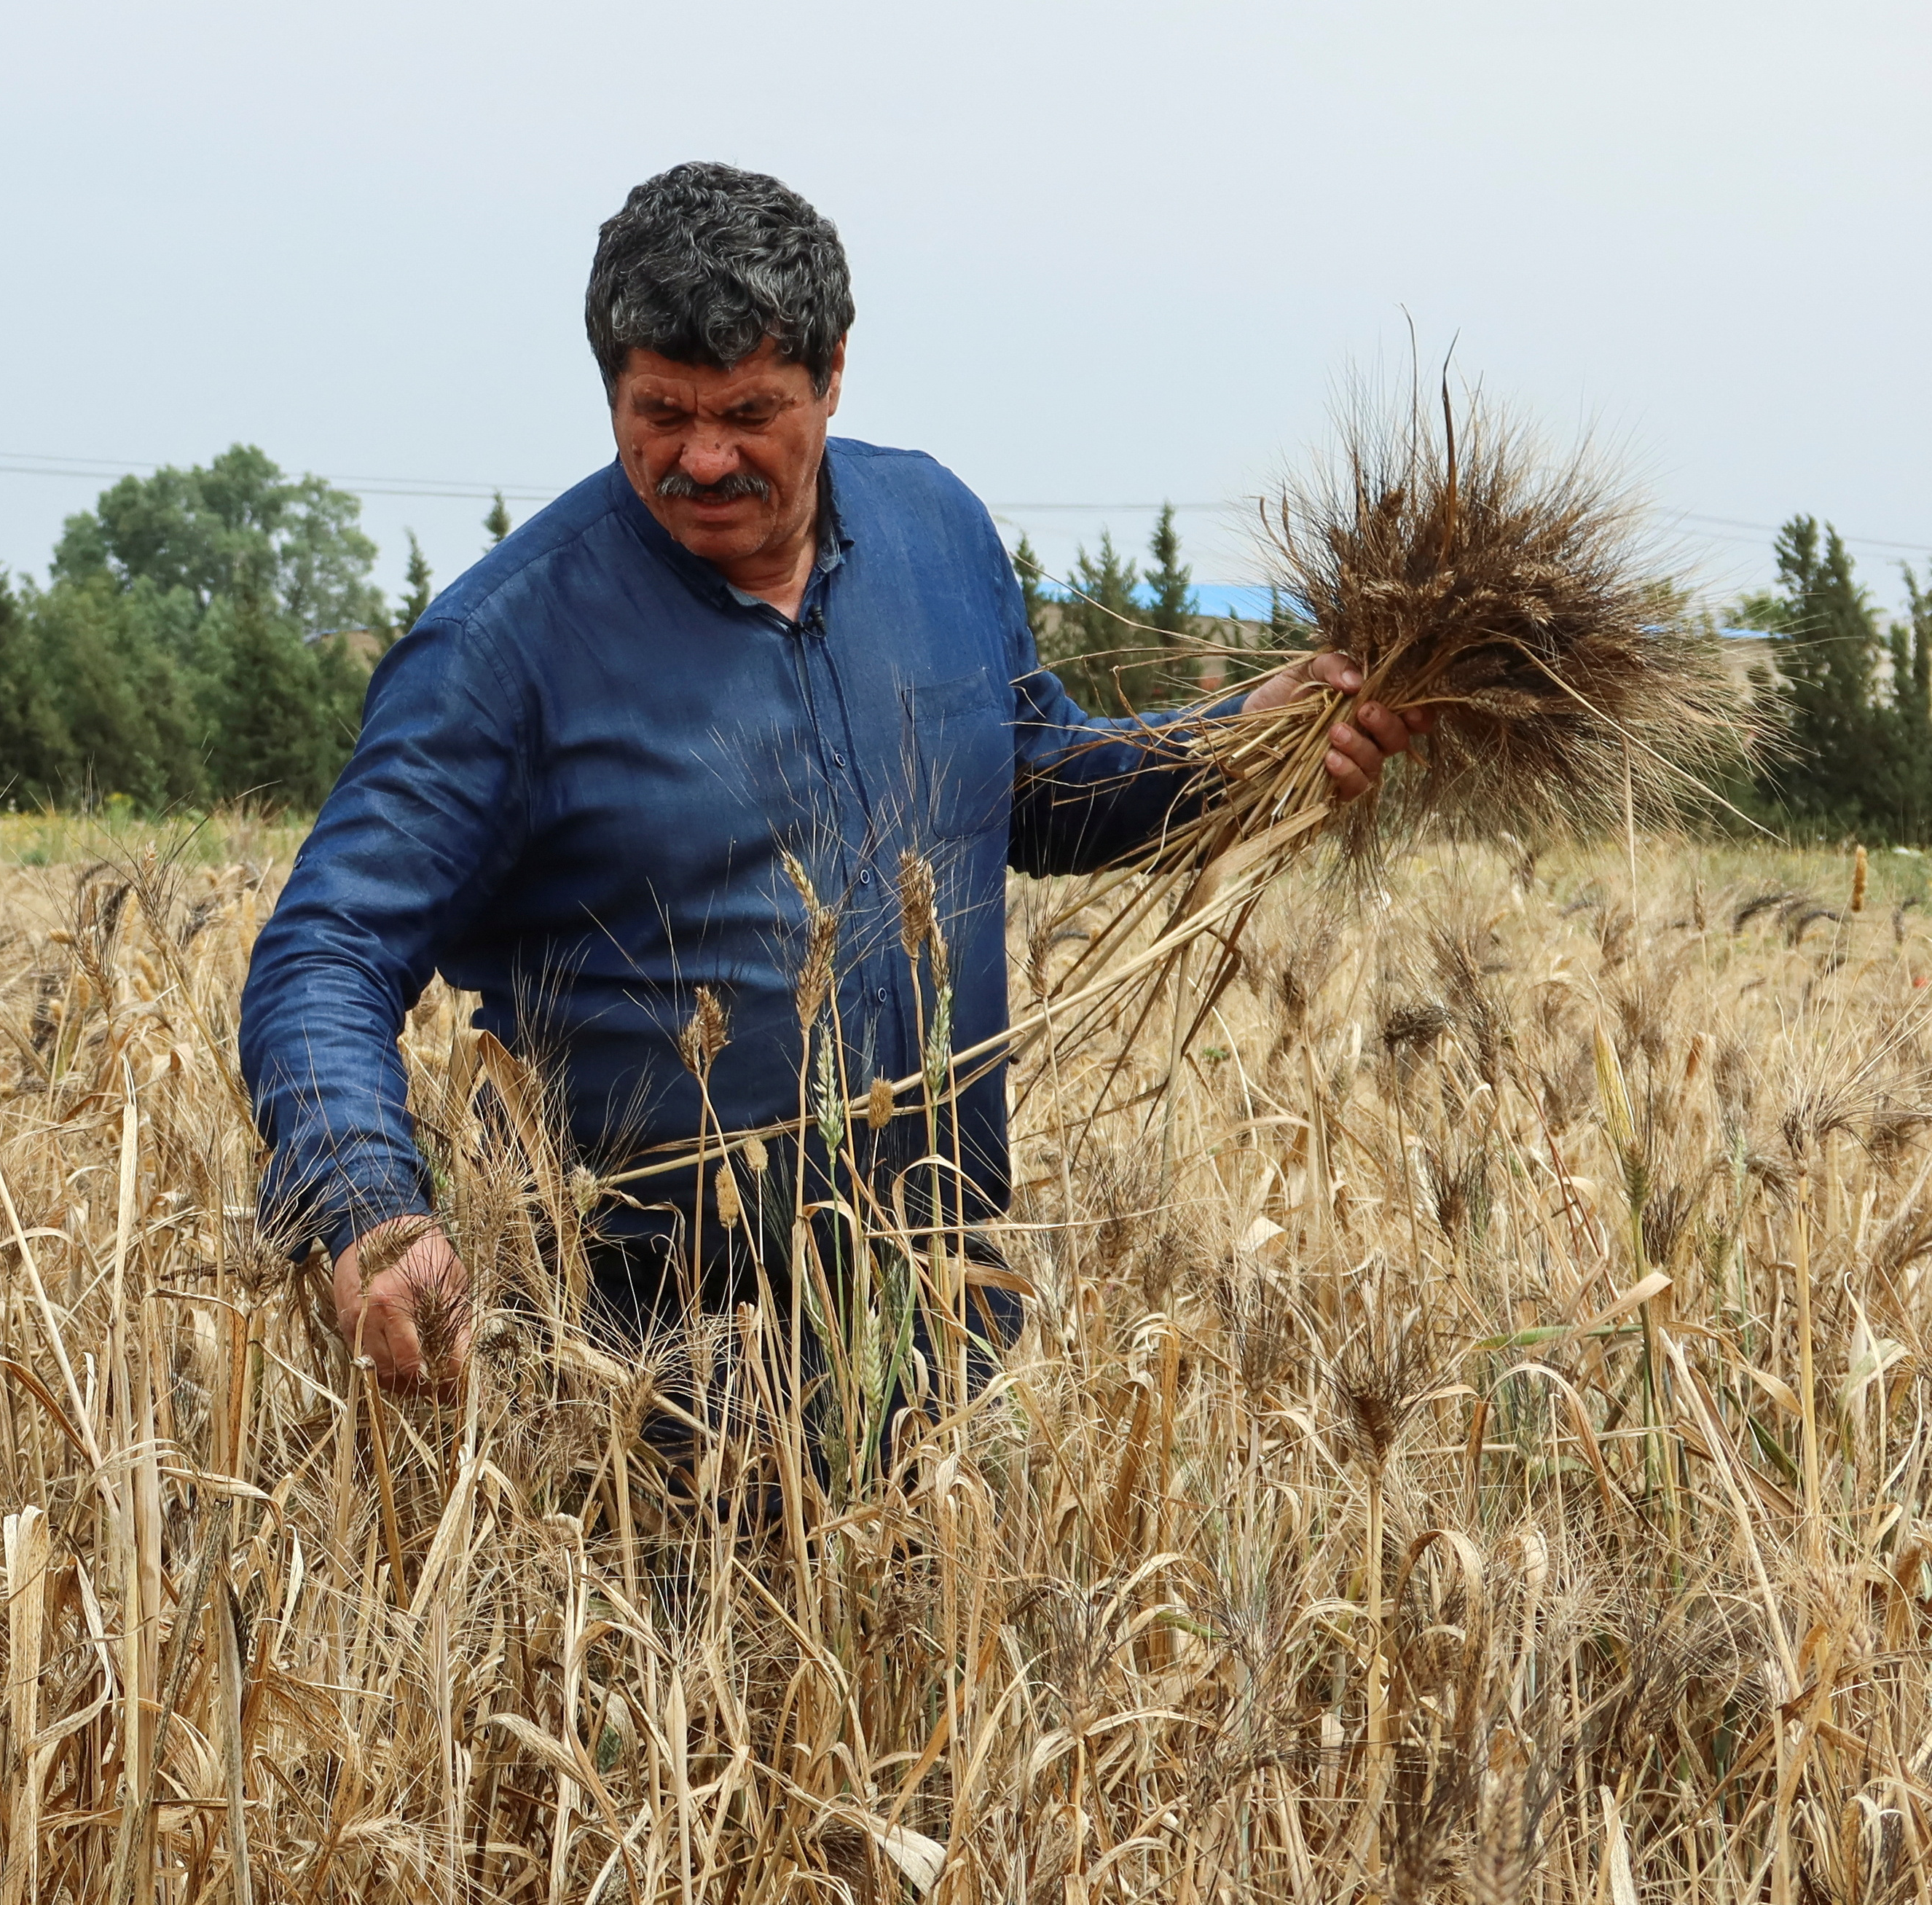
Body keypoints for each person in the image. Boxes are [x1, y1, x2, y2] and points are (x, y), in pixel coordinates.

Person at [239, 162, 1422, 1395]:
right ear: (608, 388)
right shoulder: (498, 653)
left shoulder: (937, 533)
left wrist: (1236, 747)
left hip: (939, 1313)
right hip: (640, 1362)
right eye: (659, 413)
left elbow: (1025, 783)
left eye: (749, 413)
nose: (701, 458)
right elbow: (324, 951)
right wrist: (371, 1207)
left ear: (832, 371)